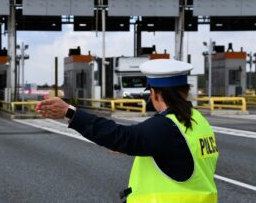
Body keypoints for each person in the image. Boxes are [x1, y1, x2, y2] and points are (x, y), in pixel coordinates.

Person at [36, 59, 218, 203]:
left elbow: (122, 136)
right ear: (185, 90)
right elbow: (177, 153)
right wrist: (131, 145)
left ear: (155, 93)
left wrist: (70, 112)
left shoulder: (166, 126)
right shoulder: (198, 121)